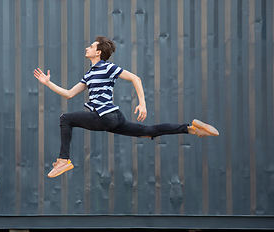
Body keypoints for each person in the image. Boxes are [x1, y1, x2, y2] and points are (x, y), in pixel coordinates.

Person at [33, 35, 219, 178]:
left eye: (91, 46)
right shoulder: (89, 74)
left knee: (66, 118)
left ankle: (63, 160)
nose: (87, 47)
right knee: (148, 131)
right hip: (113, 118)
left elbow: (135, 78)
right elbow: (69, 93)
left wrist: (142, 104)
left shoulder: (107, 67)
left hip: (104, 116)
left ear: (98, 52)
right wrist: (48, 83)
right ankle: (192, 129)